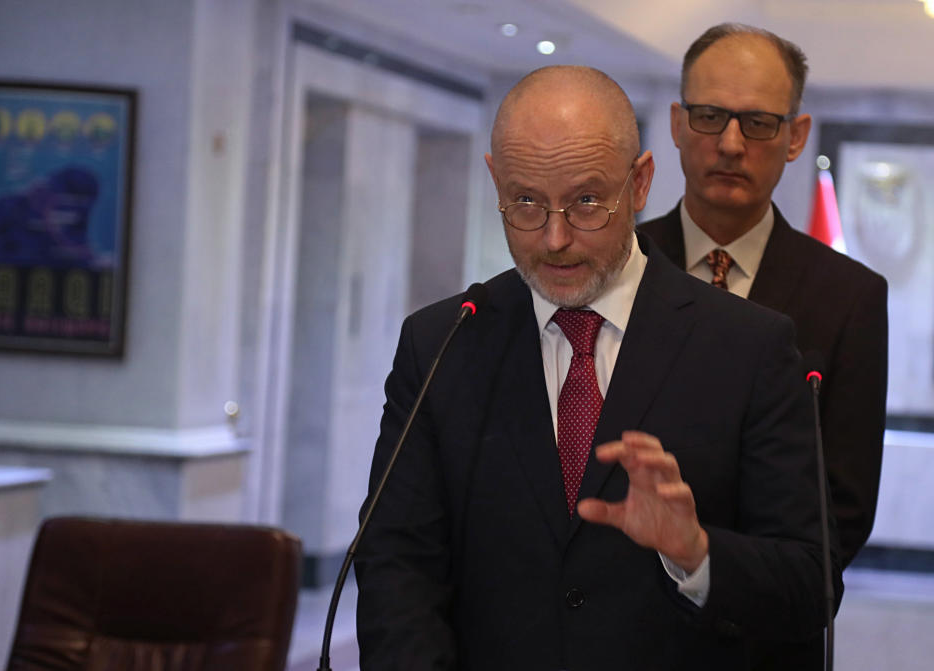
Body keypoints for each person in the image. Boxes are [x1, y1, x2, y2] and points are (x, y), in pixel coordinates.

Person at [355, 65, 840, 670]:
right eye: (526, 201)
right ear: (495, 181)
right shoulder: (442, 343)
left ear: (639, 184)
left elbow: (808, 586)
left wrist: (697, 553)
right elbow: (396, 565)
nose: (554, 238)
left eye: (586, 201)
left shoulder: (749, 346)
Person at [638, 24, 887, 571]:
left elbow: (842, 510)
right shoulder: (620, 263)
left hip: (762, 625)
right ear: (678, 124)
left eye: (758, 123)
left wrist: (708, 573)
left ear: (795, 136)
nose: (730, 143)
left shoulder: (851, 298)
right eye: (709, 116)